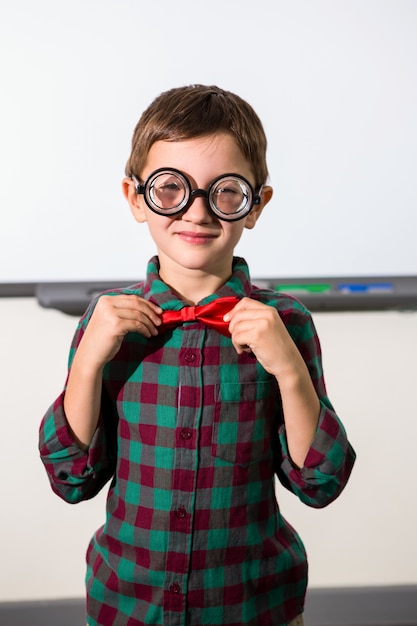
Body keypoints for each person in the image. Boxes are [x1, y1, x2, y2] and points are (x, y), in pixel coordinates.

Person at [39, 84, 356, 626]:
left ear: (256, 204)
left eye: (226, 191)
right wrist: (89, 361)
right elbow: (72, 478)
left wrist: (288, 370)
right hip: (129, 601)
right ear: (136, 197)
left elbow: (319, 482)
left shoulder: (287, 323)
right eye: (171, 189)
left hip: (255, 604)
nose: (198, 213)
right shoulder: (107, 322)